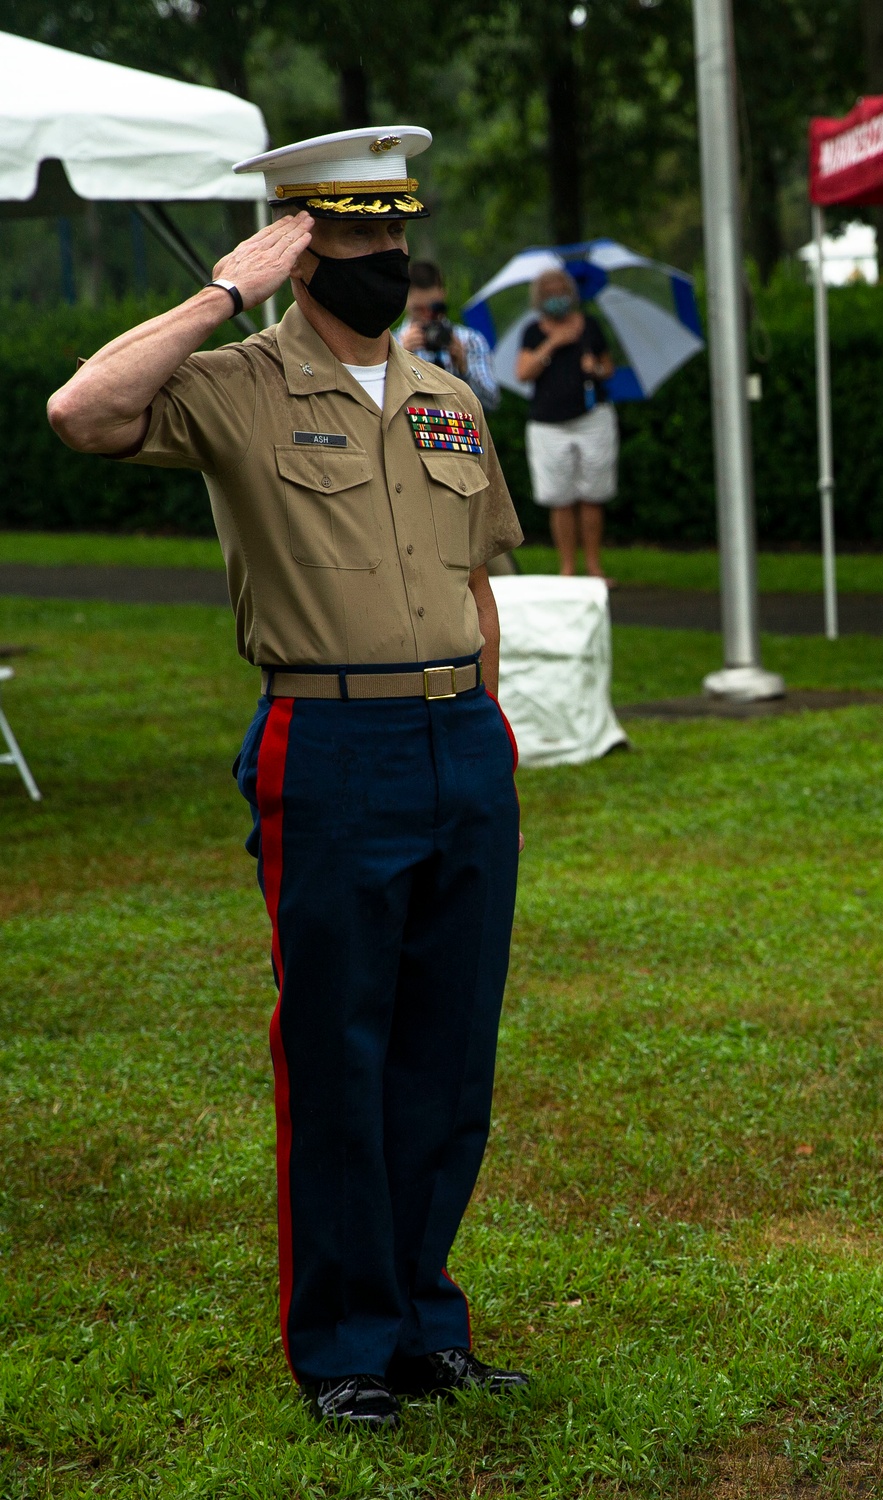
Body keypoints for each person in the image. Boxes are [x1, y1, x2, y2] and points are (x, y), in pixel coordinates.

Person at [47, 126, 528, 1432]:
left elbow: (475, 576)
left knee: (446, 1053)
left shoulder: (449, 397)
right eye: (357, 237)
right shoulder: (237, 386)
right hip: (329, 744)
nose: (387, 257)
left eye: (394, 233)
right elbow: (85, 412)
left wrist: (488, 721)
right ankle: (347, 1344)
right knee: (338, 1047)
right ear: (301, 248)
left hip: (461, 747)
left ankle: (427, 1326)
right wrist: (219, 294)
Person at [515, 267, 618, 584]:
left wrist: (596, 368)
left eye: (561, 291)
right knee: (559, 497)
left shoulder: (591, 326)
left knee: (592, 495)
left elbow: (609, 368)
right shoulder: (533, 332)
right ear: (539, 298)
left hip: (592, 420)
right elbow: (523, 373)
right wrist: (553, 344)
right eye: (549, 293)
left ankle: (594, 567)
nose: (556, 297)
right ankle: (568, 569)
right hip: (548, 425)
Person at [398, 260, 501, 411]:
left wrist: (463, 369)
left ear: (443, 295)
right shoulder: (391, 344)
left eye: (434, 308)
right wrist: (400, 358)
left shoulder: (470, 340)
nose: (427, 316)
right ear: (404, 300)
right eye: (419, 310)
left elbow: (491, 403)